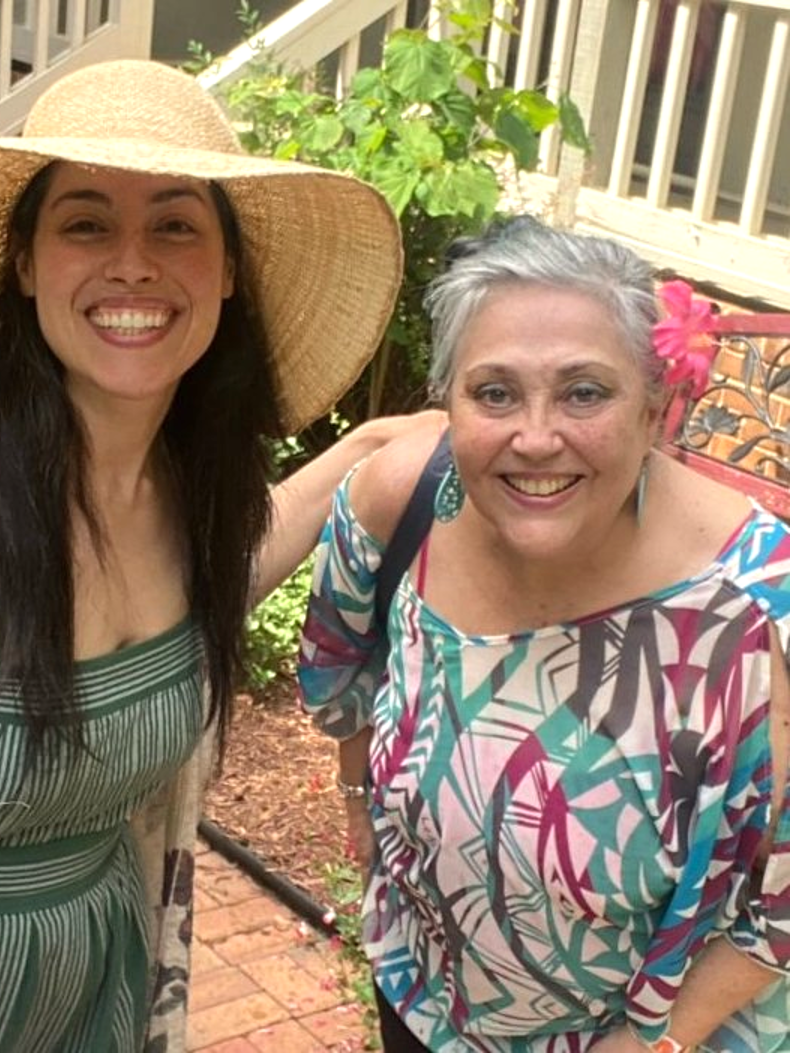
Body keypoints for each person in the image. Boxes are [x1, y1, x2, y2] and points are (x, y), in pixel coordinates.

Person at [0, 57, 437, 1054]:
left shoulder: (190, 492)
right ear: (26, 262)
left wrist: (367, 451)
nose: (134, 265)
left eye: (177, 225)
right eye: (87, 222)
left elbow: (217, 588)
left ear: (228, 272)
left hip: (106, 975)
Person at [298, 217, 790, 1054]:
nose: (534, 437)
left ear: (656, 408)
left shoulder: (753, 617)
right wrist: (361, 808)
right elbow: (341, 674)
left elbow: (777, 907)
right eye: (494, 393)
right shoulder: (399, 503)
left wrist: (646, 1047)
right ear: (445, 403)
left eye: (584, 392)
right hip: (421, 1002)